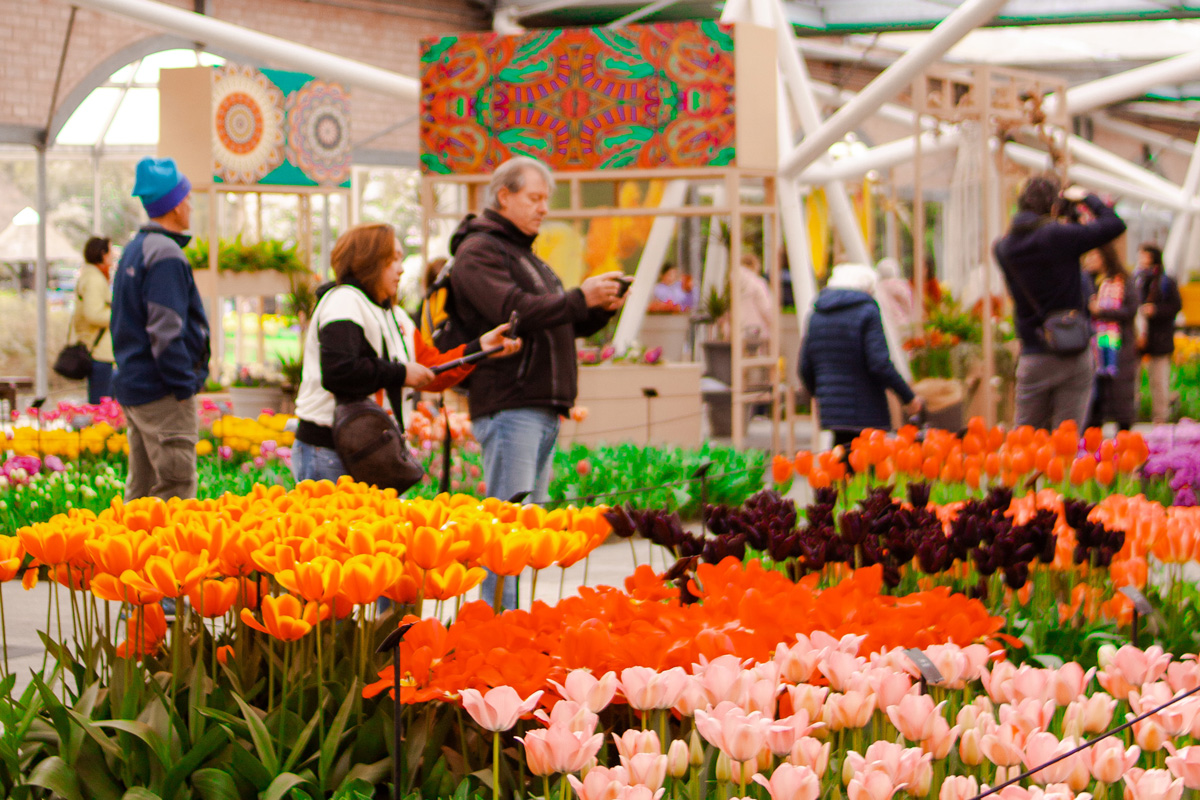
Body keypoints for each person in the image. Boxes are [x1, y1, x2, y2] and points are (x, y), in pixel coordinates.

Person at [449, 156, 624, 609]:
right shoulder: (480, 252)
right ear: (503, 196)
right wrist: (576, 298)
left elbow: (554, 321)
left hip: (537, 407)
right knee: (507, 528)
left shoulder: (525, 255)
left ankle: (511, 620)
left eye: (547, 199)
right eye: (535, 197)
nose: (544, 208)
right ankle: (495, 622)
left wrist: (597, 306)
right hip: (511, 406)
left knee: (523, 530)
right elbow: (514, 310)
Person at [292, 225, 519, 483]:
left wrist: (480, 348)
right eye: (392, 260)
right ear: (368, 261)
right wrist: (401, 374)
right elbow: (340, 372)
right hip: (330, 451)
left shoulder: (395, 315)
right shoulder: (344, 301)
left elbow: (430, 368)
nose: (401, 269)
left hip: (364, 451)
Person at [111, 157, 210, 501]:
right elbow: (166, 331)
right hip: (163, 392)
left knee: (141, 491)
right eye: (188, 198)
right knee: (175, 490)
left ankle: (127, 555)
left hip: (136, 387)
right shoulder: (165, 253)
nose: (191, 205)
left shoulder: (134, 250)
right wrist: (184, 385)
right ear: (176, 205)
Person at [993, 176, 1126, 431]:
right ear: (1053, 207)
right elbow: (1113, 224)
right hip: (1072, 351)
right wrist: (1087, 197)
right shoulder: (1058, 237)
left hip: (1033, 353)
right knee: (1065, 440)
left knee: (1025, 440)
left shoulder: (1003, 248)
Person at [800, 263, 922, 449]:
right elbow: (879, 363)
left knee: (839, 464)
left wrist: (824, 394)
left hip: (832, 412)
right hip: (867, 408)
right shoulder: (867, 312)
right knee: (866, 467)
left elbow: (805, 367)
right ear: (866, 288)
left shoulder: (816, 315)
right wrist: (908, 397)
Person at [1084, 245, 1138, 431]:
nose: (1088, 260)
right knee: (1094, 398)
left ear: (1105, 257)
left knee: (1120, 393)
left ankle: (1123, 436)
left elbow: (1130, 310)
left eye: (1093, 255)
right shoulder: (1086, 281)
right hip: (1092, 345)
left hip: (1118, 347)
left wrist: (1102, 312)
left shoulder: (1122, 281)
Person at [1135, 243, 1182, 423]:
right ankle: (1133, 413)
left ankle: (1161, 417)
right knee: (1133, 379)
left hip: (1160, 337)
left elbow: (1176, 306)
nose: (1140, 259)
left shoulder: (1165, 281)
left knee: (1159, 380)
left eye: (1143, 255)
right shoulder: (1137, 279)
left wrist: (1156, 311)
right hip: (1139, 337)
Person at [74, 236, 115, 404]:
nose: (113, 255)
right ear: (102, 254)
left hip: (98, 350)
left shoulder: (93, 276)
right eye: (111, 251)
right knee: (101, 407)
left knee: (102, 404)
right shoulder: (94, 279)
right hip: (100, 353)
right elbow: (93, 314)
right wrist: (120, 316)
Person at [737, 253, 773, 347]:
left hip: (737, 332)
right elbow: (766, 309)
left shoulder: (731, 283)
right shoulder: (757, 283)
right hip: (756, 331)